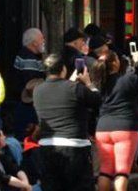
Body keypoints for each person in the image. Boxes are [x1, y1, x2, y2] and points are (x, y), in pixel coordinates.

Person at [33, 56, 104, 191]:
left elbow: (59, 93)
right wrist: (89, 83)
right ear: (63, 69)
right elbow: (97, 100)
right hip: (74, 146)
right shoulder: (75, 88)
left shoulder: (37, 90)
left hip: (48, 146)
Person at [92, 52, 138, 191]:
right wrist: (137, 64)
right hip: (125, 127)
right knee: (122, 171)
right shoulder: (127, 80)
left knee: (105, 170)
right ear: (114, 63)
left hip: (102, 128)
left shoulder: (98, 83)